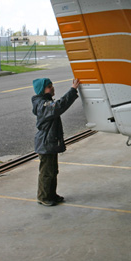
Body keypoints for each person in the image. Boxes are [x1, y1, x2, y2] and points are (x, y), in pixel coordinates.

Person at [32, 77, 80, 206]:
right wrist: (73, 90)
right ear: (43, 90)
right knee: (47, 172)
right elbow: (58, 106)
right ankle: (44, 197)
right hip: (45, 144)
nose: (52, 88)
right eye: (49, 86)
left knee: (53, 171)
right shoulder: (42, 105)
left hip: (49, 143)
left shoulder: (45, 102)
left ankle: (51, 194)